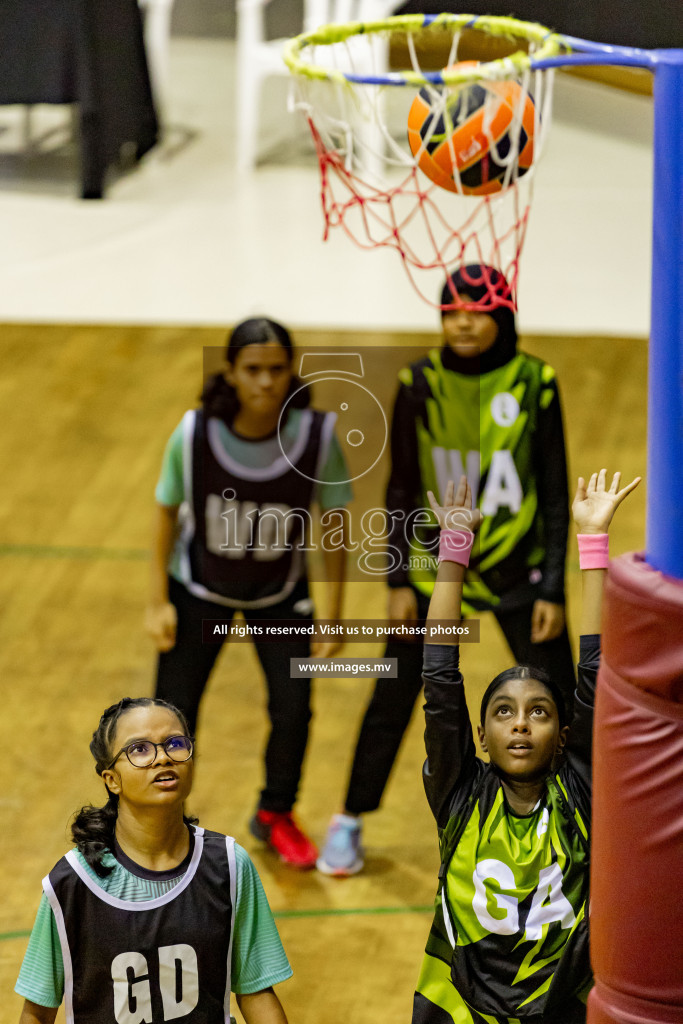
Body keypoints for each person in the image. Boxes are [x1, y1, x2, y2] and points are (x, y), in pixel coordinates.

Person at [318, 264, 576, 876]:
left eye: (478, 310)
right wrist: (398, 580)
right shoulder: (417, 382)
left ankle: (575, 815)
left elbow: (557, 489)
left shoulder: (536, 382)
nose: (462, 321)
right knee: (396, 694)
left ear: (503, 317)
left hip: (520, 571)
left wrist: (556, 585)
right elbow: (401, 486)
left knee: (562, 698)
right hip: (437, 568)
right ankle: (349, 819)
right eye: (452, 309)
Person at [412, 469, 640, 1023]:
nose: (520, 724)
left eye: (539, 712)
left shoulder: (581, 788)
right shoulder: (458, 790)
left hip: (560, 1008)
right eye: (503, 712)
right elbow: (440, 678)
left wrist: (594, 543)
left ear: (563, 736)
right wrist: (453, 554)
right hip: (459, 1009)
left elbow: (596, 673)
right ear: (481, 738)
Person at [146, 317, 351, 869]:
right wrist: (157, 600)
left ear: (291, 372)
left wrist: (334, 614)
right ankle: (161, 823)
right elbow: (166, 511)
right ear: (232, 373)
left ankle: (275, 812)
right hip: (198, 588)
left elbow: (334, 524)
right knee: (172, 716)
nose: (266, 381)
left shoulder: (318, 437)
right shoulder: (192, 434)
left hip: (281, 592)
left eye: (277, 369)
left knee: (293, 710)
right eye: (253, 369)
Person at [15, 696, 293, 1024]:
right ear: (111, 780)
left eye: (175, 744)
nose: (163, 758)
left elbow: (256, 991)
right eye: (140, 749)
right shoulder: (74, 881)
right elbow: (37, 1013)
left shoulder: (229, 865)